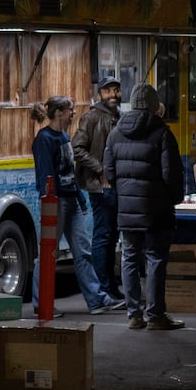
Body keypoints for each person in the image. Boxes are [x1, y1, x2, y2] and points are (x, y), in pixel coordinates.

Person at [104, 84, 185, 330]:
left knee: (129, 258)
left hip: (127, 209)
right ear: (153, 105)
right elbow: (172, 174)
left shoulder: (115, 133)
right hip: (157, 210)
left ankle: (134, 315)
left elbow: (109, 171)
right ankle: (156, 315)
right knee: (155, 260)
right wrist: (174, 199)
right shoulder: (162, 133)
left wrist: (126, 194)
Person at [31, 95, 110, 315]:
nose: (73, 113)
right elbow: (46, 174)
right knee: (48, 253)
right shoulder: (44, 139)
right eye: (70, 110)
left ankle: (96, 300)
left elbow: (69, 173)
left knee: (82, 249)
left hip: (71, 201)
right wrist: (51, 202)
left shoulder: (65, 136)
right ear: (59, 113)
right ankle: (42, 303)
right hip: (55, 202)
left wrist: (80, 199)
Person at [74, 79, 126, 305]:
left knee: (112, 235)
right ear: (100, 94)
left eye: (116, 90)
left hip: (115, 186)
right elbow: (77, 147)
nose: (113, 94)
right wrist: (100, 168)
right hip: (98, 186)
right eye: (108, 91)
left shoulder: (119, 116)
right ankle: (103, 288)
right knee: (103, 235)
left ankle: (111, 287)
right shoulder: (93, 116)